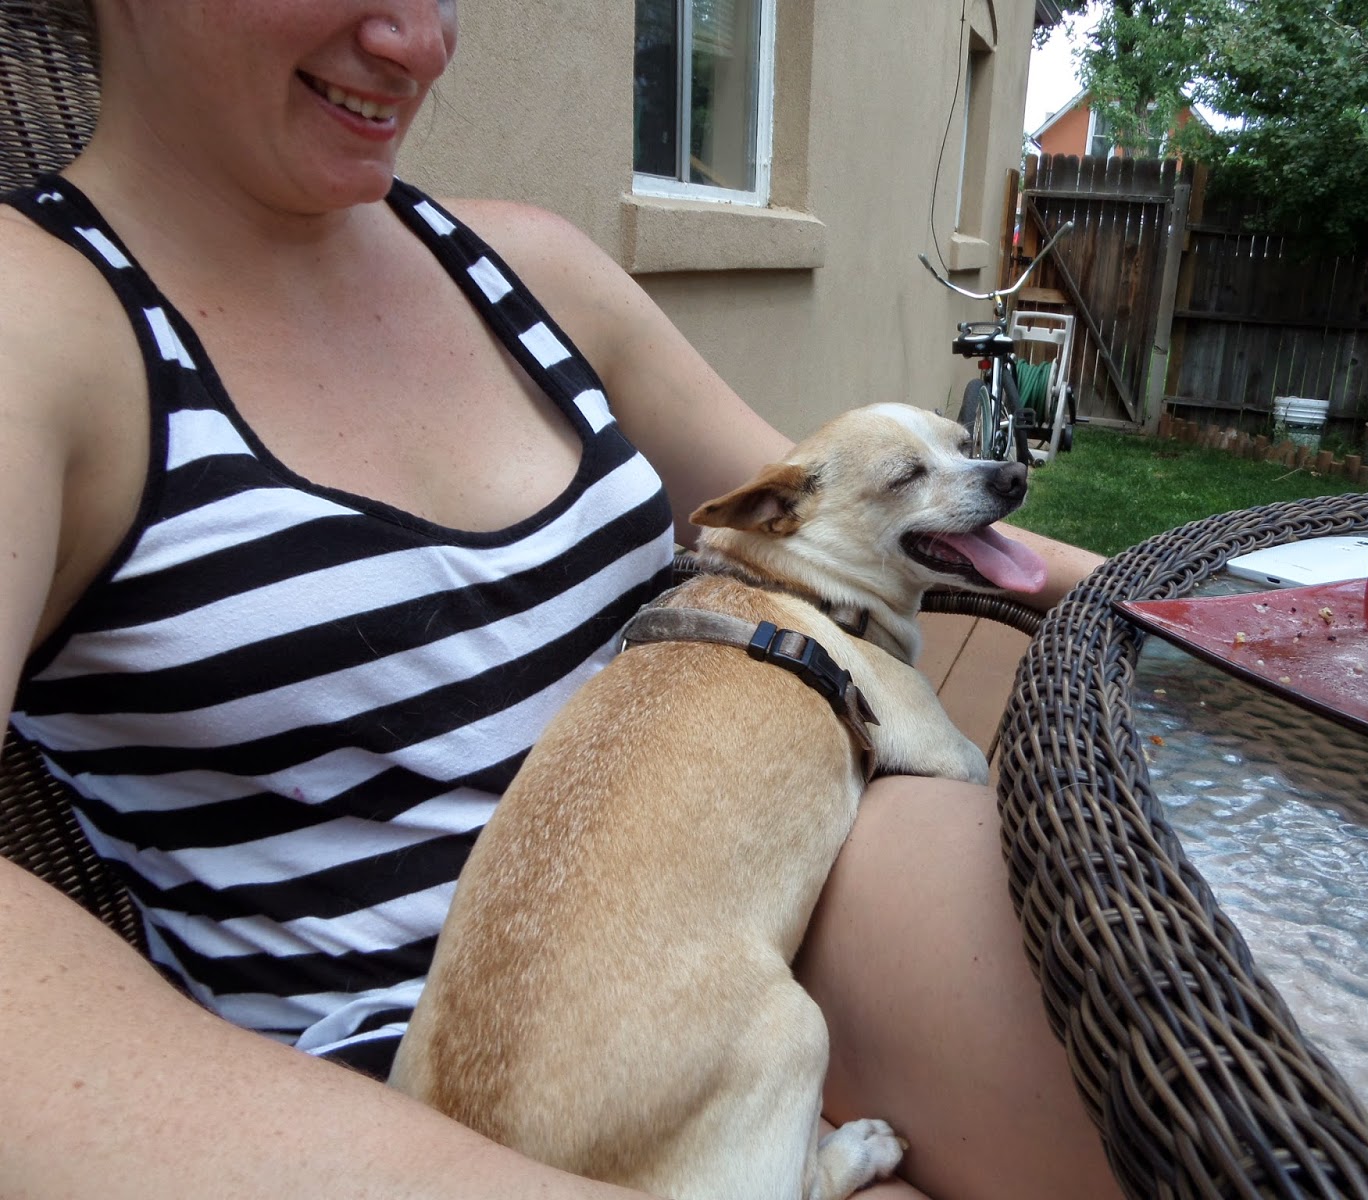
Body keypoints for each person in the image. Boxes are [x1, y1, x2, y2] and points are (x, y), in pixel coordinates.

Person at [0, 2, 1118, 1197]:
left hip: (713, 884)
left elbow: (806, 496)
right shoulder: (35, 319)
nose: (419, 41)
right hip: (411, 1082)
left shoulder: (524, 267)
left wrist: (1146, 601)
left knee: (1144, 1049)